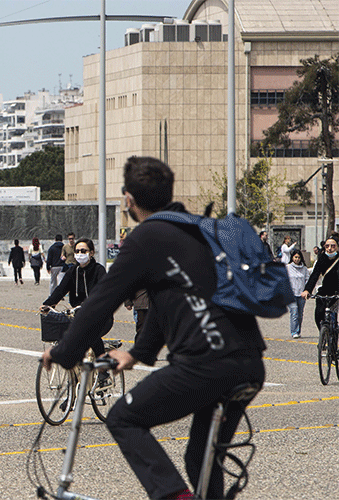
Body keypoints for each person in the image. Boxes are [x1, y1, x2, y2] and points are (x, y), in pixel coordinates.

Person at [41, 156, 266, 500]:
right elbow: (169, 300)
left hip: (204, 364)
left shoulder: (147, 237)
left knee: (123, 418)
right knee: (201, 459)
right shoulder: (198, 227)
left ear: (128, 199)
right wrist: (138, 353)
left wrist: (64, 351)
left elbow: (102, 300)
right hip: (249, 363)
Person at [40, 237, 112, 364]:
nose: (80, 254)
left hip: (101, 316)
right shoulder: (73, 271)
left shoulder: (98, 270)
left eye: (83, 251)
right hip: (78, 315)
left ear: (91, 253)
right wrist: (47, 305)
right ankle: (75, 379)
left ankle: (103, 371)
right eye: (77, 251)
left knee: (91, 333)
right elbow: (60, 290)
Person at [301, 236, 339, 332]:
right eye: (327, 246)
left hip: (337, 292)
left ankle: (334, 335)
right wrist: (307, 290)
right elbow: (314, 275)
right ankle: (324, 333)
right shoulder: (322, 259)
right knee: (319, 314)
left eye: (333, 246)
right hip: (324, 291)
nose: (329, 249)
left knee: (333, 315)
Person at [287, 251, 310, 339]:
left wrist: (307, 291)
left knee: (300, 314)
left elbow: (307, 280)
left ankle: (298, 330)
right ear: (292, 257)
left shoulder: (304, 269)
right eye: (295, 257)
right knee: (294, 312)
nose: (297, 259)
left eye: (298, 257)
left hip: (301, 294)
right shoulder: (288, 267)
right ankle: (294, 332)